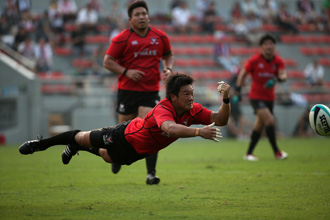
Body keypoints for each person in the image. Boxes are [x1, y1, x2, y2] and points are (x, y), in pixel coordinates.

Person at [18, 74, 231, 179]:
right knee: (82, 136)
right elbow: (170, 129)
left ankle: (75, 148)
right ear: (173, 97)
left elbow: (220, 120)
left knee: (107, 157)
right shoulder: (163, 109)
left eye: (192, 93)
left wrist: (226, 99)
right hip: (124, 135)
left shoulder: (194, 109)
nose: (191, 98)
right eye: (186, 94)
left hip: (137, 151)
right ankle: (41, 144)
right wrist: (198, 131)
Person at [103, 1, 175, 185]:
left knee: (151, 129)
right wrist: (126, 72)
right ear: (130, 19)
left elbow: (168, 54)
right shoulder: (122, 39)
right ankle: (116, 158)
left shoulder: (160, 37)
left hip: (150, 91)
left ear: (149, 16)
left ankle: (151, 174)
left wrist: (168, 68)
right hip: (127, 91)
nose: (142, 16)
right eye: (137, 14)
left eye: (144, 13)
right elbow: (107, 61)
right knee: (123, 132)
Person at [235, 34, 288, 161]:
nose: (269, 46)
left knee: (259, 125)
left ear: (274, 46)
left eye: (271, 44)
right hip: (256, 97)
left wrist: (276, 79)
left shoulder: (278, 61)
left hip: (269, 98)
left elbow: (284, 75)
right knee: (269, 121)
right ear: (261, 47)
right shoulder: (254, 60)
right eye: (266, 44)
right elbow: (242, 74)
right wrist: (238, 91)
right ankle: (277, 152)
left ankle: (248, 154)